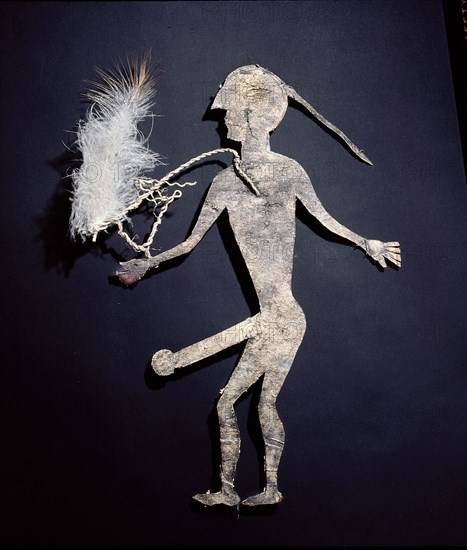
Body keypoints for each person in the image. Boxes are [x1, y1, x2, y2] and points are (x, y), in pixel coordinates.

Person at [117, 65, 401, 506]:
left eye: (231, 113)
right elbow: (190, 244)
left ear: (254, 117)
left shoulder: (287, 171)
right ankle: (240, 489)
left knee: (240, 403)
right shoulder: (224, 183)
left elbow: (323, 219)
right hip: (276, 319)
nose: (224, 123)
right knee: (245, 405)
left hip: (282, 318)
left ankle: (261, 487)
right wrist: (147, 263)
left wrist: (368, 243)